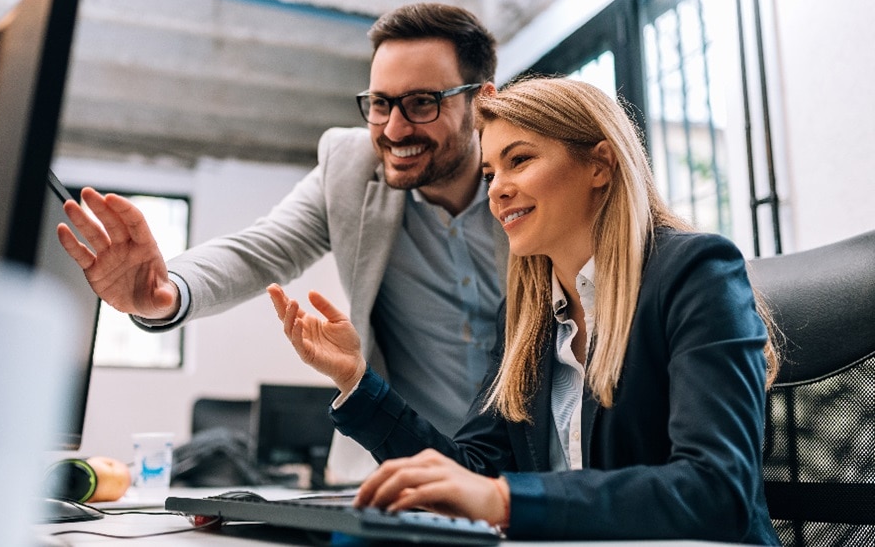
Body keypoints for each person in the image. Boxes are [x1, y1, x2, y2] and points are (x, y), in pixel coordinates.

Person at [266, 76, 782, 543]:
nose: (498, 189)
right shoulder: (525, 316)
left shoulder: (697, 273)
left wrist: (506, 501)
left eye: (520, 160)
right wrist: (357, 380)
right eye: (491, 171)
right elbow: (469, 471)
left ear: (600, 164)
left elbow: (717, 489)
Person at [56, 3, 507, 480]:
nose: (394, 129)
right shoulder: (351, 168)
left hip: (534, 469)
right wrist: (168, 290)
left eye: (422, 103)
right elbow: (262, 248)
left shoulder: (532, 180)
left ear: (481, 101)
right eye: (379, 103)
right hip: (404, 468)